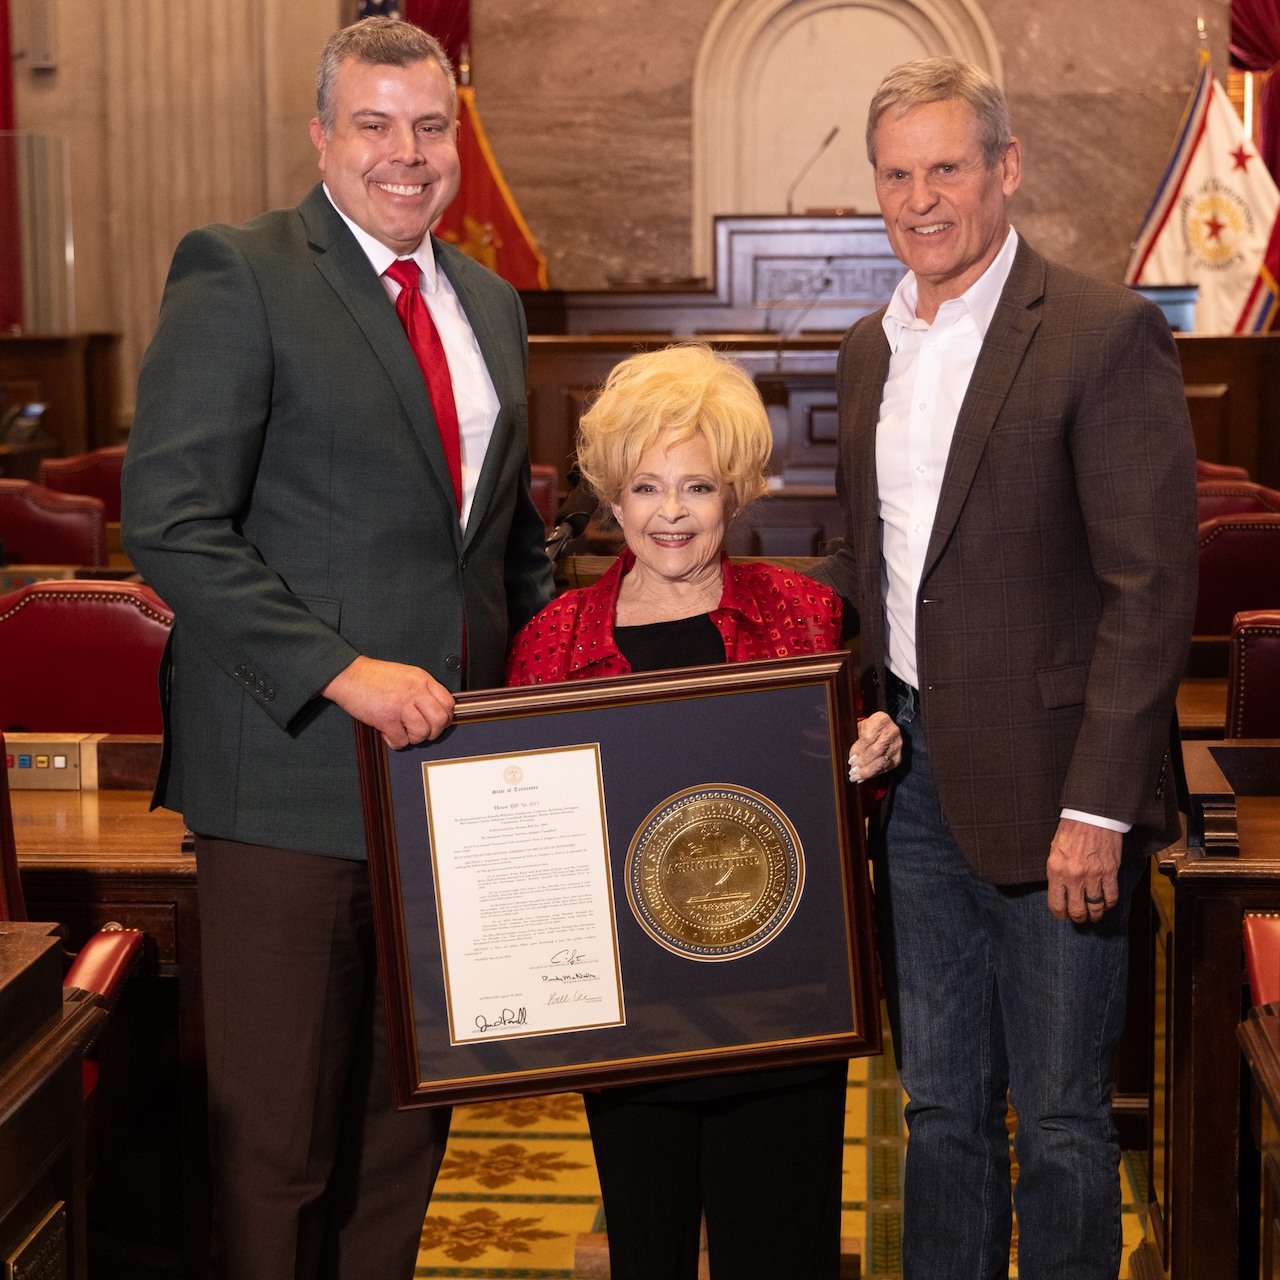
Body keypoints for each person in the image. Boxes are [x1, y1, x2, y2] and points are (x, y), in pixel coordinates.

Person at [121, 18, 553, 1280]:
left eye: (429, 126)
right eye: (373, 124)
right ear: (322, 136)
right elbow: (173, 523)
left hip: (449, 787)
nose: (403, 154)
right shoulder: (241, 270)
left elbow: (500, 545)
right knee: (279, 1147)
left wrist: (553, 698)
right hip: (292, 776)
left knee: (402, 1122)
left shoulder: (487, 301)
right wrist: (341, 670)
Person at [811, 57, 1198, 1279]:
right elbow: (863, 569)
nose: (920, 199)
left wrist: (1097, 807)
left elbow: (1149, 591)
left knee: (1068, 1124)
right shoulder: (870, 348)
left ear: (1003, 169)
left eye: (945, 167)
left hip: (1054, 796)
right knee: (937, 1111)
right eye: (895, 174)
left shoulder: (1098, 331)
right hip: (912, 787)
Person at [507, 342, 901, 1280]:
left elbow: (848, 805)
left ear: (736, 492)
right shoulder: (553, 642)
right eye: (646, 488)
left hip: (783, 1006)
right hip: (631, 1014)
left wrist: (871, 760)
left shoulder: (807, 618)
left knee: (778, 1253)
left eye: (698, 487)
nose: (672, 514)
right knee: (647, 1252)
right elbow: (524, 838)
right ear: (612, 496)